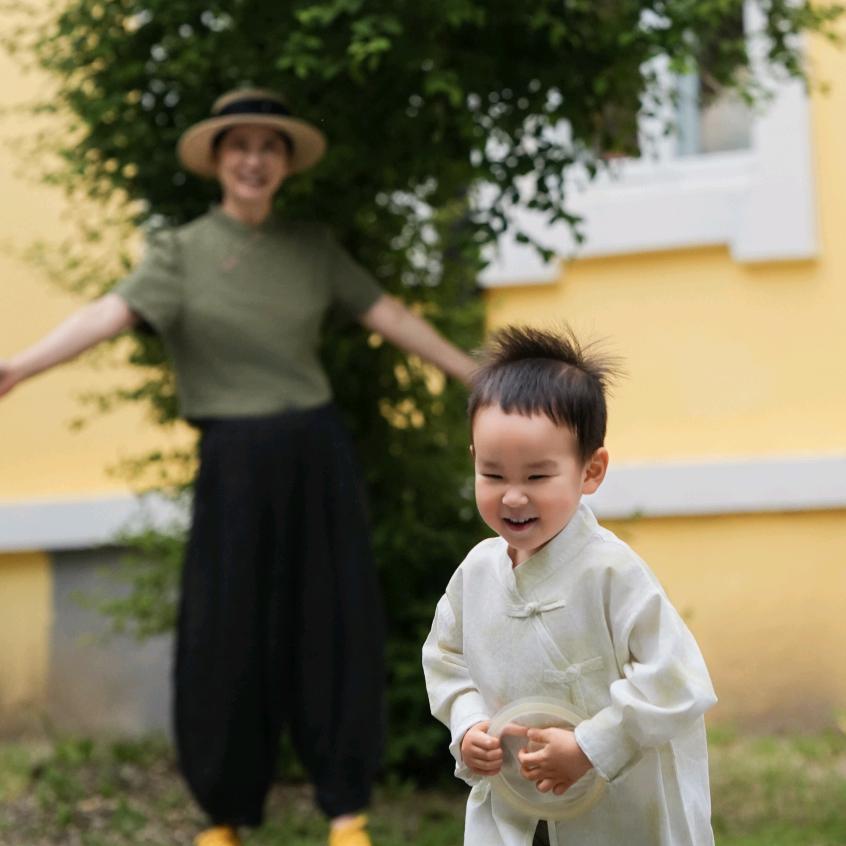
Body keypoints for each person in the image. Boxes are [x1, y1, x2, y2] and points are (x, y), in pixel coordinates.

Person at [0, 88, 477, 846]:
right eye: (238, 145)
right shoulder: (181, 253)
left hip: (316, 456)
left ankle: (345, 812)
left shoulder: (312, 248)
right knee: (226, 633)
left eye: (269, 146)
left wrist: (474, 375)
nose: (254, 159)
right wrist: (18, 367)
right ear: (218, 161)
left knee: (333, 621)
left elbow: (388, 314)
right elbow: (108, 313)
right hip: (234, 462)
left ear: (285, 162)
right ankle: (223, 817)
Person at [422, 325, 718, 846]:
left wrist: (591, 746)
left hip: (618, 807)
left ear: (590, 471)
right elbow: (446, 659)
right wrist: (468, 725)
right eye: (493, 475)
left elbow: (676, 679)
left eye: (537, 477)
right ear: (473, 461)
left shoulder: (612, 574)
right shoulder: (476, 573)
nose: (513, 497)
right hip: (516, 799)